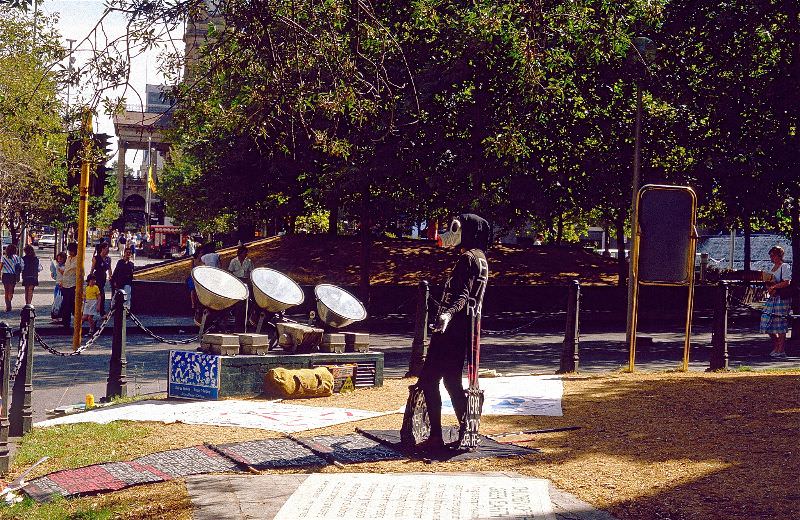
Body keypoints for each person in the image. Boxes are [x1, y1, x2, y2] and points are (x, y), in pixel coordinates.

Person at [415, 213, 490, 451]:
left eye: (457, 229)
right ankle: (466, 430)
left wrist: (447, 314)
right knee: (451, 382)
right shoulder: (481, 258)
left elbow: (463, 294)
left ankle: (437, 435)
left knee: (429, 381)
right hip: (464, 332)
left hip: (450, 331)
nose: (452, 234)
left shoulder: (467, 258)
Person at [761, 245, 792, 358]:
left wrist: (774, 287)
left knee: (780, 323)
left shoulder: (785, 266)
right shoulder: (773, 267)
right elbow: (770, 281)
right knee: (766, 321)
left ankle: (781, 349)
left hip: (782, 298)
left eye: (773, 254)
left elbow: (787, 282)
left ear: (779, 255)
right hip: (772, 297)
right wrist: (768, 286)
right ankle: (777, 345)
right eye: (771, 254)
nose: (771, 256)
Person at [60, 242, 79, 330]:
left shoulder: (78, 258)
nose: (70, 253)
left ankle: (77, 322)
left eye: (71, 251)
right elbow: (66, 270)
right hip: (65, 284)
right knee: (65, 305)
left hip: (73, 285)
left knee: (72, 305)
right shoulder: (68, 258)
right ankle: (66, 323)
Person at [1, 244, 23, 313]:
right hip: (13, 275)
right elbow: (19, 267)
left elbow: (0, 266)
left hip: (5, 275)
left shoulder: (3, 257)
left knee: (6, 291)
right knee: (11, 290)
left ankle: (8, 306)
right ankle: (9, 302)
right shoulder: (17, 258)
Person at [91, 242, 112, 314]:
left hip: (103, 277)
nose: (107, 250)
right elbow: (92, 269)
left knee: (102, 295)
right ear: (102, 249)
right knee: (99, 294)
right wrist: (90, 278)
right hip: (97, 277)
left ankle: (101, 311)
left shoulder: (108, 259)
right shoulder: (96, 258)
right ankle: (97, 311)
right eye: (106, 249)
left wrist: (110, 277)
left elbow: (109, 269)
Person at [51, 251, 67, 322]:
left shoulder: (66, 266)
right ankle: (55, 316)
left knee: (61, 301)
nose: (59, 260)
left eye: (61, 259)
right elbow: (56, 275)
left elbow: (66, 275)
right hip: (57, 284)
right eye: (58, 259)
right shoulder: (57, 266)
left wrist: (62, 271)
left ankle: (61, 316)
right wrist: (53, 274)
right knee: (56, 300)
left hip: (63, 285)